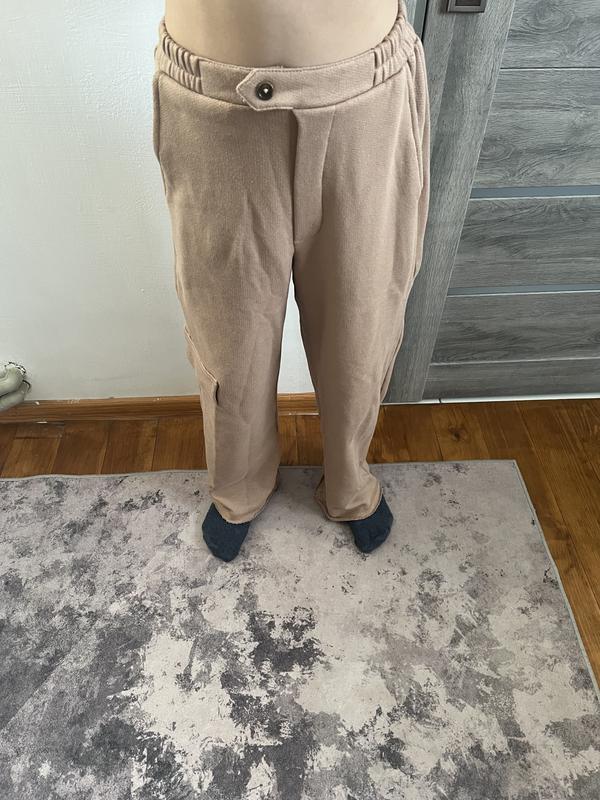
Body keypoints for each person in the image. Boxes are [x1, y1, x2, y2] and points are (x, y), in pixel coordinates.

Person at [152, 0, 430, 561]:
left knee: (361, 326)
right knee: (230, 338)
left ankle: (349, 479)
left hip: (365, 98)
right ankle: (240, 484)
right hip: (214, 108)